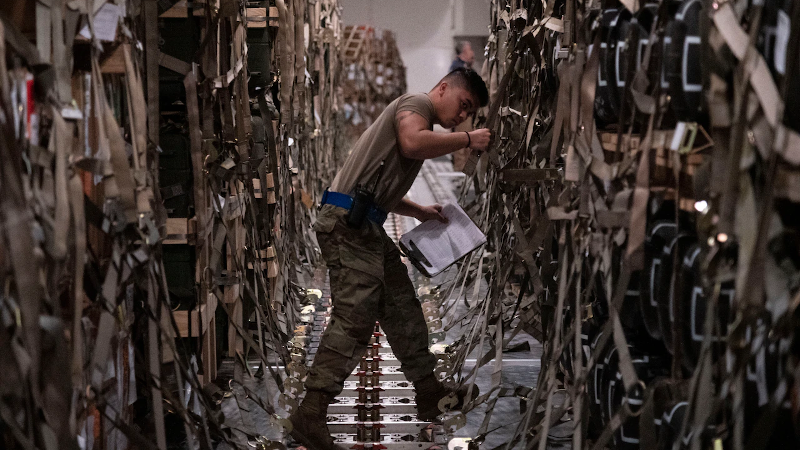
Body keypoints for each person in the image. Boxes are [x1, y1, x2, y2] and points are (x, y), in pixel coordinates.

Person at [289, 68, 491, 450]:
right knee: (355, 319)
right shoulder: (416, 105)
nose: (463, 116)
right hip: (348, 224)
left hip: (365, 222)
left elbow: (377, 187)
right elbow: (413, 143)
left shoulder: (418, 113)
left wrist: (417, 211)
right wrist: (467, 138)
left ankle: (429, 392)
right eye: (463, 105)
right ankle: (311, 412)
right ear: (443, 88)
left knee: (402, 308)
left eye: (470, 114)